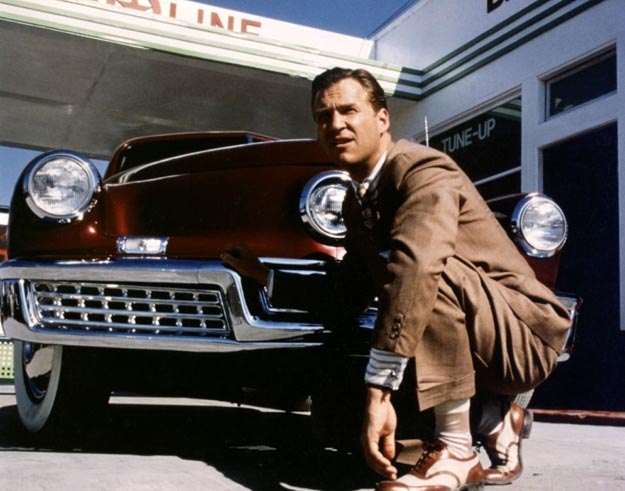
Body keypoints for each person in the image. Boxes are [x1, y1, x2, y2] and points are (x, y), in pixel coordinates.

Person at [222, 67, 571, 491]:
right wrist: (264, 276)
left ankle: (457, 451)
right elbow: (346, 292)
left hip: (523, 338)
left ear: (382, 119)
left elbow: (419, 266)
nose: (335, 124)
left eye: (348, 110)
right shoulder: (356, 204)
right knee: (339, 420)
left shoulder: (422, 169)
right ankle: (492, 419)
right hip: (466, 332)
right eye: (323, 116)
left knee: (418, 270)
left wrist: (380, 388)